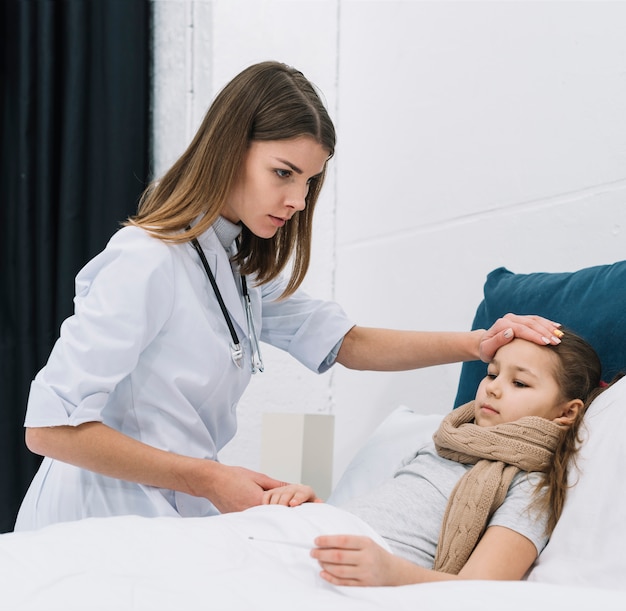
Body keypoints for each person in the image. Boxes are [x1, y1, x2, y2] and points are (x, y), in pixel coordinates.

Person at [15, 60, 562, 531]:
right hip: (95, 516)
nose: (297, 200)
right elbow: (48, 428)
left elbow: (347, 343)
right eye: (283, 173)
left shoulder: (239, 268)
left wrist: (477, 344)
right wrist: (210, 478)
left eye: (309, 182)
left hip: (173, 512)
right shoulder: (146, 258)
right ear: (228, 150)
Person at [264, 331, 612, 586]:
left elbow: (481, 588)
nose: (492, 387)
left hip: (346, 570)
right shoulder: (443, 442)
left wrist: (391, 574)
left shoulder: (532, 486)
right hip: (313, 534)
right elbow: (384, 515)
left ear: (567, 413)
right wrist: (313, 507)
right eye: (492, 373)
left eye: (519, 383)